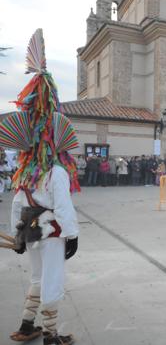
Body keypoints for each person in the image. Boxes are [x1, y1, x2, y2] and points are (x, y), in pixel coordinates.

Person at [5, 28, 80, 345]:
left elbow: (15, 206)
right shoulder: (57, 172)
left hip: (29, 230)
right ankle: (51, 335)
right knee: (52, 280)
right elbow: (63, 208)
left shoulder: (24, 171)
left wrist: (17, 234)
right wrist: (72, 235)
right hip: (51, 232)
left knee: (37, 277)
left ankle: (26, 325)